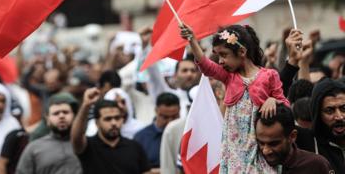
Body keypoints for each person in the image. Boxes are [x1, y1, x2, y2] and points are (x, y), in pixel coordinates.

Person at [180, 24, 289, 173]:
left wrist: (273, 100)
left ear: (242, 51)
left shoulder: (270, 75)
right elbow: (206, 65)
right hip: (234, 151)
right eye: (218, 56)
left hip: (260, 148)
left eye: (224, 55)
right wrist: (192, 40)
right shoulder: (229, 77)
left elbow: (286, 105)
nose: (220, 61)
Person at [71, 88, 150, 174]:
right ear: (97, 123)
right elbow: (76, 137)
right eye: (108, 119)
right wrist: (85, 106)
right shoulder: (88, 147)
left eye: (117, 118)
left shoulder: (135, 147)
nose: (114, 123)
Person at [16, 92, 81, 174]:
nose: (61, 116)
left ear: (74, 116)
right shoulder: (34, 148)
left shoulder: (86, 145)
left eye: (65, 112)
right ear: (47, 120)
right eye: (56, 113)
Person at [255, 104, 331, 173]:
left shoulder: (317, 166)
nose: (266, 151)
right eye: (261, 143)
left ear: (292, 136)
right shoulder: (250, 163)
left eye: (273, 144)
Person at [296, 78, 345, 172]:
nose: (339, 117)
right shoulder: (307, 142)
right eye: (329, 111)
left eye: (343, 108)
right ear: (318, 114)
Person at [134, 92, 180, 169]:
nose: (170, 122)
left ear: (179, 110)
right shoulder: (141, 137)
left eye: (174, 117)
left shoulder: (186, 134)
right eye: (165, 117)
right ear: (156, 110)